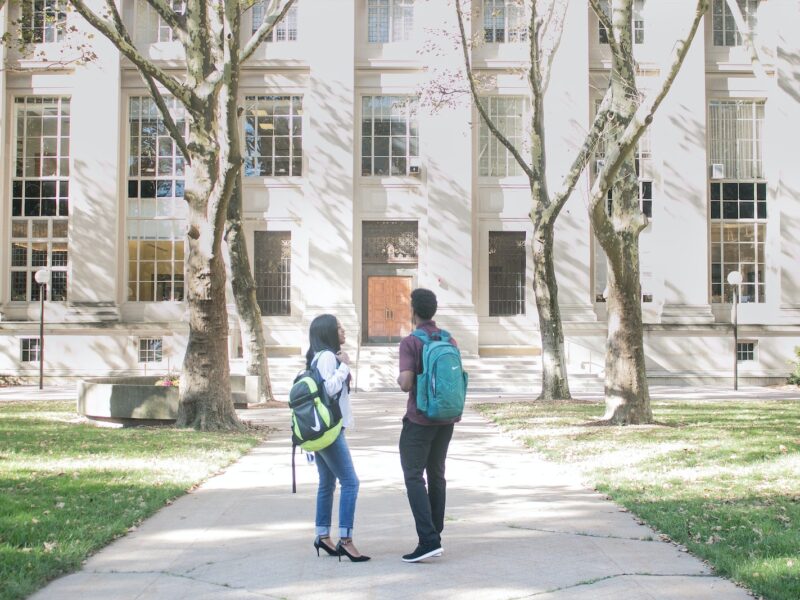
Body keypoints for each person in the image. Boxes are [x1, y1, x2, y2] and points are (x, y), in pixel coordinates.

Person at [396, 288, 460, 563]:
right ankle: (435, 533)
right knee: (437, 474)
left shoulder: (411, 342)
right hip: (446, 417)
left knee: (413, 475)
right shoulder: (449, 339)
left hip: (420, 418)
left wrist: (400, 379)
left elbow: (406, 383)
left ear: (413, 311)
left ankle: (428, 539)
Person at [305, 314, 370, 562]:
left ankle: (322, 536)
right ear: (328, 333)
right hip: (330, 429)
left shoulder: (317, 357)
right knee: (351, 483)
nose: (343, 330)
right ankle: (346, 540)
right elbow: (329, 389)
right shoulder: (328, 358)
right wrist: (344, 366)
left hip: (322, 429)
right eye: (339, 327)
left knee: (327, 483)